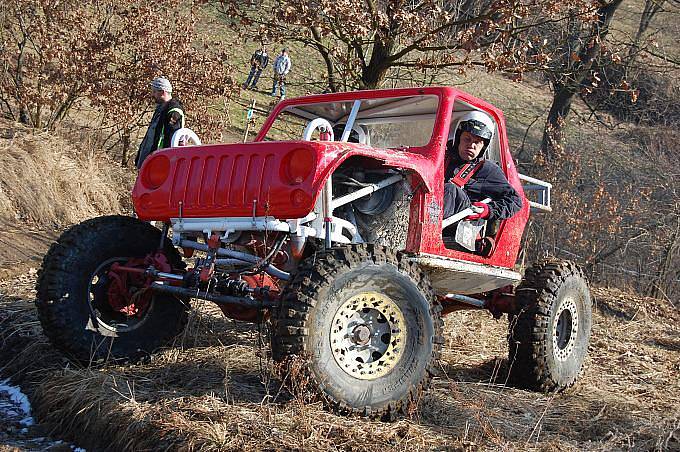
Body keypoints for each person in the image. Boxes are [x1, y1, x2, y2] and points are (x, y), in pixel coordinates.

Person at [443, 111, 522, 223]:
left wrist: (488, 210)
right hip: (432, 210)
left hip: (460, 221)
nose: (471, 145)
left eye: (477, 142)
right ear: (458, 138)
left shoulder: (488, 170)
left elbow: (515, 201)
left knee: (450, 190)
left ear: (483, 147)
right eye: (467, 139)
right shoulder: (441, 158)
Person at [135, 77, 185, 169]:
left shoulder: (174, 111)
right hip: (152, 159)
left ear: (162, 92)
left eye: (154, 92)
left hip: (161, 162)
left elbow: (172, 140)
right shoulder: (161, 108)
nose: (152, 95)